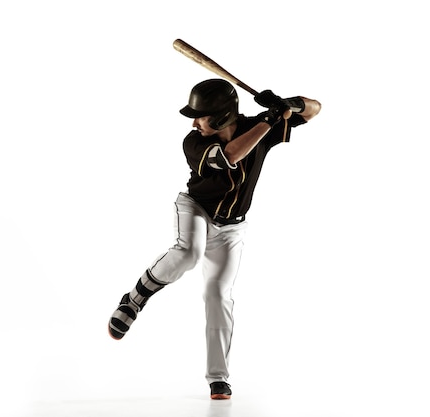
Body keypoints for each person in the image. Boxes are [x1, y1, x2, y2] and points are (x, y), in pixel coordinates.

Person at [108, 78, 321, 400]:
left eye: (202, 115)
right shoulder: (194, 141)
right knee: (189, 254)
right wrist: (270, 118)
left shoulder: (262, 125)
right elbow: (230, 156)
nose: (195, 122)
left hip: (232, 228)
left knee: (218, 295)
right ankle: (136, 298)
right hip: (196, 209)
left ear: (222, 117)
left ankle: (218, 378)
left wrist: (285, 103)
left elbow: (315, 108)